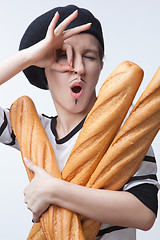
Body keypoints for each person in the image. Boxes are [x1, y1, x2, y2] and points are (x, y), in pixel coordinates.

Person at [0, 5, 159, 240]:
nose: (79, 68)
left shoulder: (125, 131)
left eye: (90, 57)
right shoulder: (30, 129)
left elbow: (144, 213)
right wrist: (28, 57)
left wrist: (54, 190)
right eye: (63, 55)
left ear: (101, 67)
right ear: (43, 69)